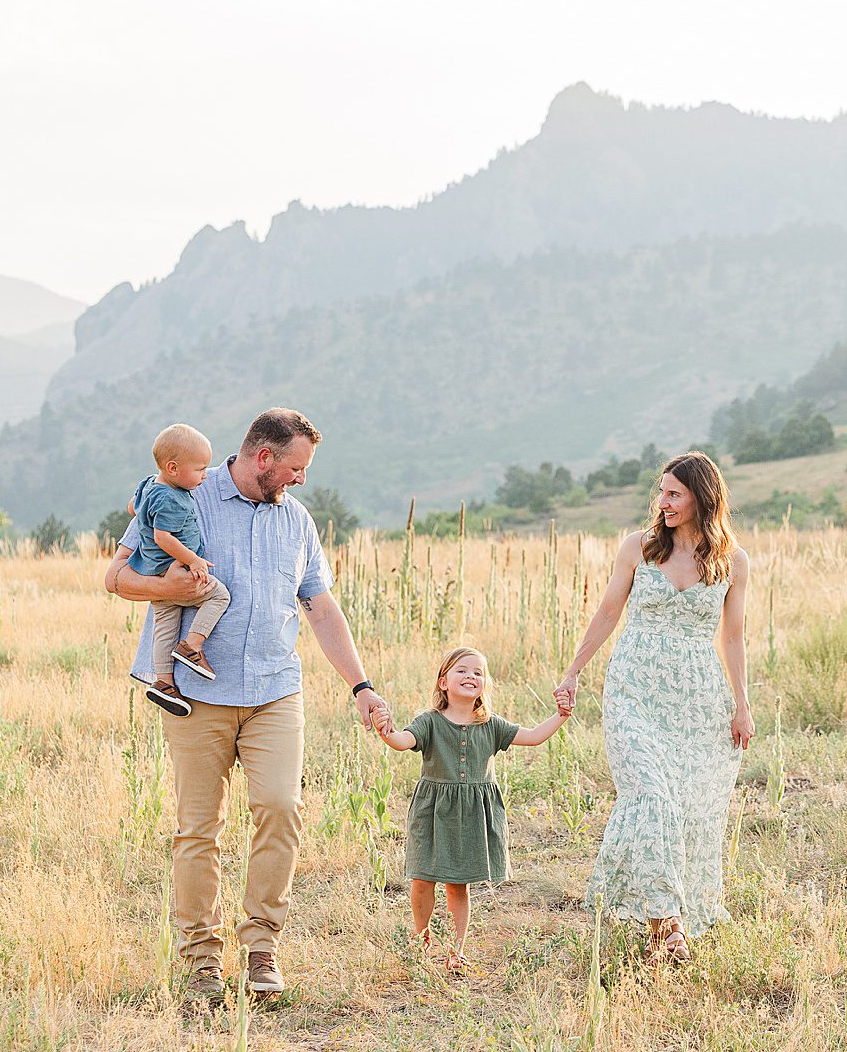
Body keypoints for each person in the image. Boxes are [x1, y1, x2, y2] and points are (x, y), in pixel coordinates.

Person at [104, 407, 390, 999]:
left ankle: (261, 948)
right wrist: (169, 588)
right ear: (264, 458)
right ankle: (200, 961)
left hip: (274, 691)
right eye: (296, 467)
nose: (301, 479)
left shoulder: (299, 522)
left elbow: (320, 606)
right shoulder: (181, 492)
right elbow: (117, 577)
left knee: (282, 809)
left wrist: (360, 686)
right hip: (194, 695)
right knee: (197, 829)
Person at [553, 451, 754, 964]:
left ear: (702, 498)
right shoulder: (639, 549)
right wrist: (574, 671)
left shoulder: (732, 561)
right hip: (633, 694)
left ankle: (663, 926)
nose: (662, 503)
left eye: (674, 494)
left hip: (697, 702)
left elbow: (733, 638)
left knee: (686, 812)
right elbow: (606, 612)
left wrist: (742, 705)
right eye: (660, 492)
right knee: (650, 797)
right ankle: (667, 922)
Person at [370, 646, 572, 973]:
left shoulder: (491, 726)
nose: (471, 676)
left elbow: (534, 736)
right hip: (433, 814)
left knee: (457, 885)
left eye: (478, 672)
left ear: (484, 685)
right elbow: (402, 741)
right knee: (422, 879)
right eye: (462, 670)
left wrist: (561, 715)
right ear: (443, 682)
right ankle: (420, 936)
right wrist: (385, 730)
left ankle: (455, 949)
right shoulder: (430, 722)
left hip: (470, 816)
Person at [125, 423, 231, 716]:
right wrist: (194, 560)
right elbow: (163, 537)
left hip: (152, 571)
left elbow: (132, 507)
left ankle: (163, 682)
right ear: (173, 468)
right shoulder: (172, 499)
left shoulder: (149, 484)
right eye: (200, 469)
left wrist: (144, 511)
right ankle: (192, 647)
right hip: (176, 569)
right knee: (219, 596)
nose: (204, 476)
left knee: (165, 626)